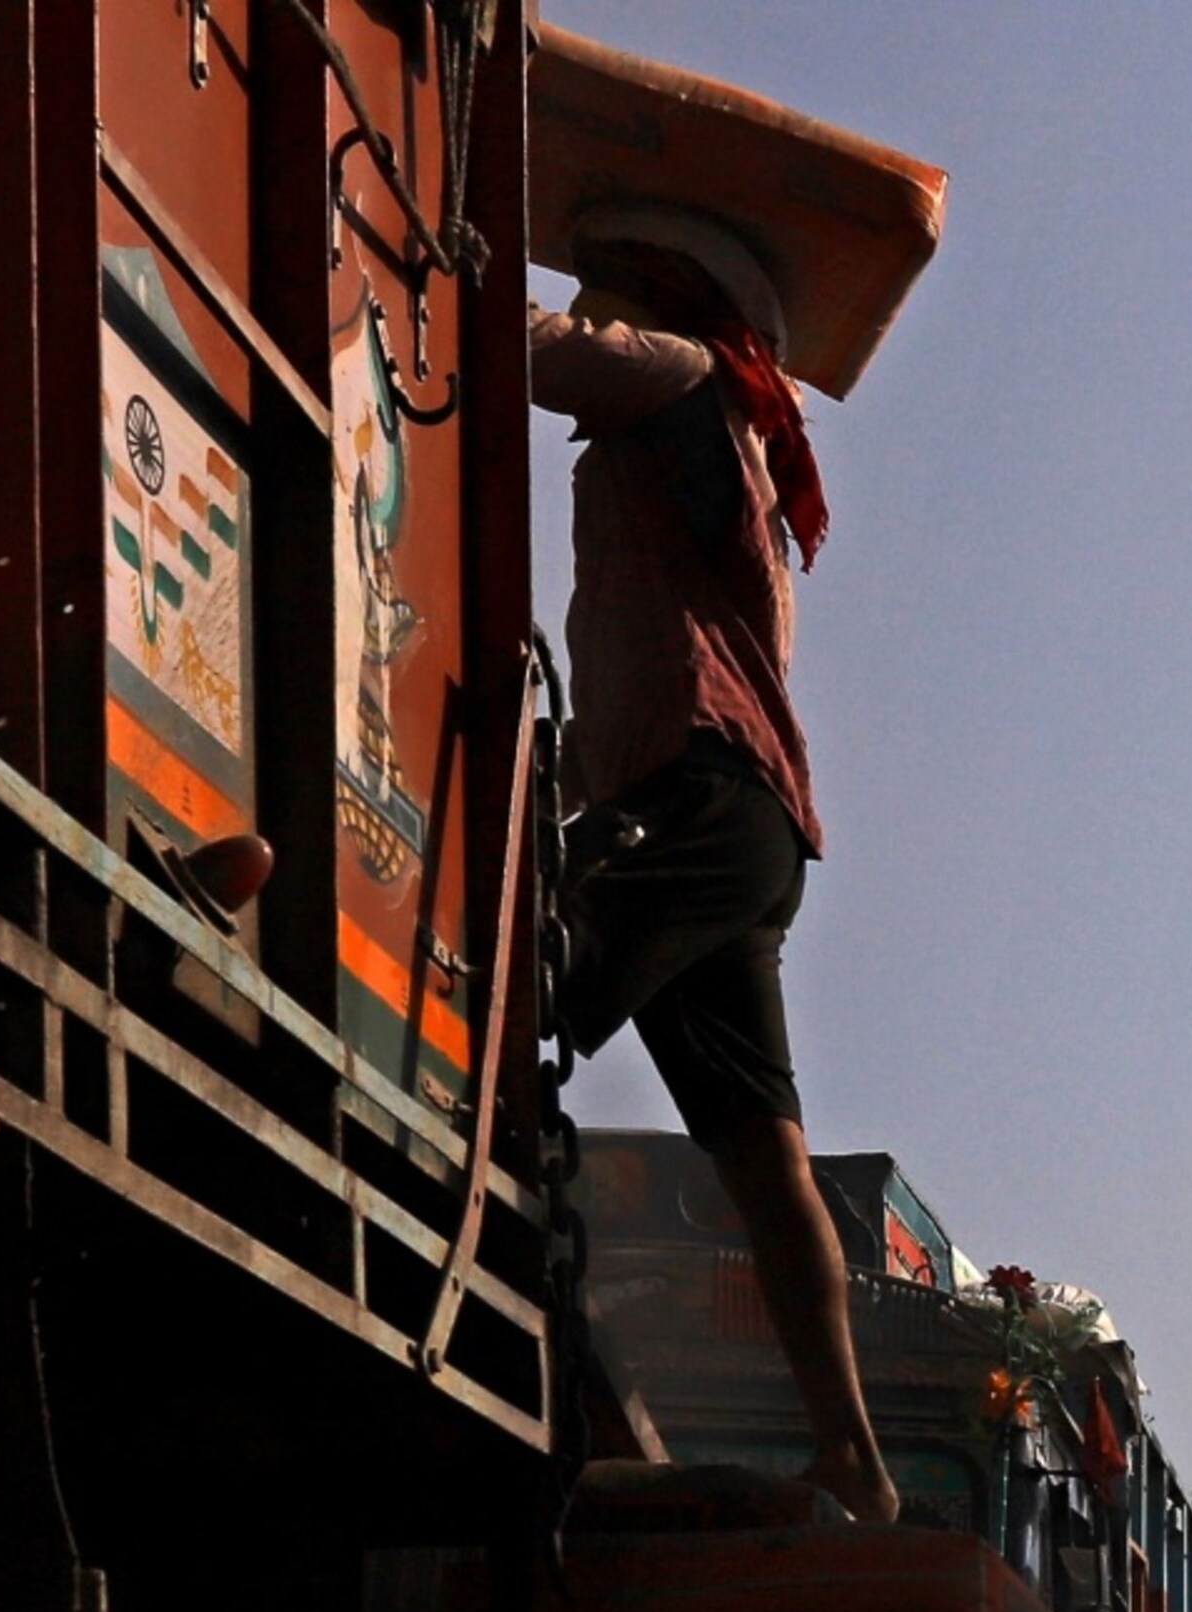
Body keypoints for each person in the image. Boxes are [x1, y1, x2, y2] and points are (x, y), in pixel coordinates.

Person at [528, 207, 893, 1523]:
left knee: (500, 1023)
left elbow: (525, 346)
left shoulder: (676, 371)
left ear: (663, 295)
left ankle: (546, 1370)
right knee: (763, 1157)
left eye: (607, 279)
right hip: (741, 821)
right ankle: (852, 1448)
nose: (591, 299)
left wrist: (421, 246)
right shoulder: (730, 430)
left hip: (698, 796)